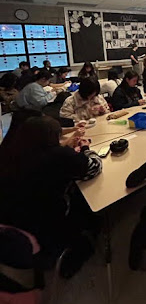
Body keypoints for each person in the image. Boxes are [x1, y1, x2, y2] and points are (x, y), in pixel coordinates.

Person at [0, 115, 102, 276]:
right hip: (45, 228)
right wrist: (85, 149)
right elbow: (93, 167)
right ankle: (80, 246)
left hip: (11, 225)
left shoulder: (10, 153)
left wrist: (64, 147)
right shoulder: (59, 157)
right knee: (88, 202)